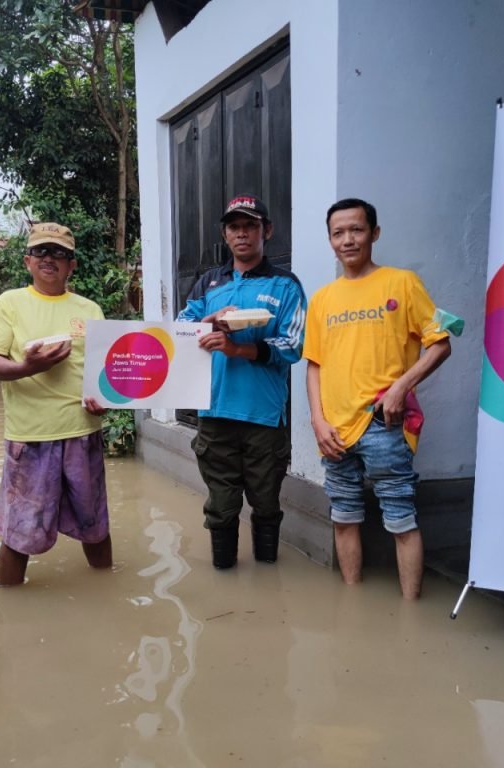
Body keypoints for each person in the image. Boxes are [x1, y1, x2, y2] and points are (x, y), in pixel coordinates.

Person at [304, 198, 452, 599]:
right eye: (338, 233)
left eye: (356, 230)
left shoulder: (402, 283)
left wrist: (402, 386)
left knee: (401, 519)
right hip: (334, 429)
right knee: (343, 518)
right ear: (330, 240)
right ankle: (351, 602)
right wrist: (317, 421)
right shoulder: (322, 299)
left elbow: (440, 344)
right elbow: (313, 365)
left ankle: (410, 611)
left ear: (374, 233)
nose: (347, 240)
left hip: (383, 423)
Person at [0, 222, 112, 585]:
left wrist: (107, 400)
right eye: (41, 251)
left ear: (73, 266)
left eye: (60, 254)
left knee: (95, 526)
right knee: (19, 533)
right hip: (30, 437)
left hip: (83, 432)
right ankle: (10, 604)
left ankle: (107, 595)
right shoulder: (9, 304)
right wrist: (26, 367)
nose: (49, 259)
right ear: (27, 261)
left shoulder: (91, 309)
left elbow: (105, 373)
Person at [177, 195, 306, 568]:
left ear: (267, 230)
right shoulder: (208, 284)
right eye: (235, 227)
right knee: (221, 505)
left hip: (264, 417)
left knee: (266, 503)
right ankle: (225, 575)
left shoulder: (285, 285)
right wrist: (210, 321)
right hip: (214, 413)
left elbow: (293, 346)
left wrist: (239, 349)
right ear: (225, 234)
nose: (242, 234)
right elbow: (179, 333)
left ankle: (268, 579)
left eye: (250, 226)